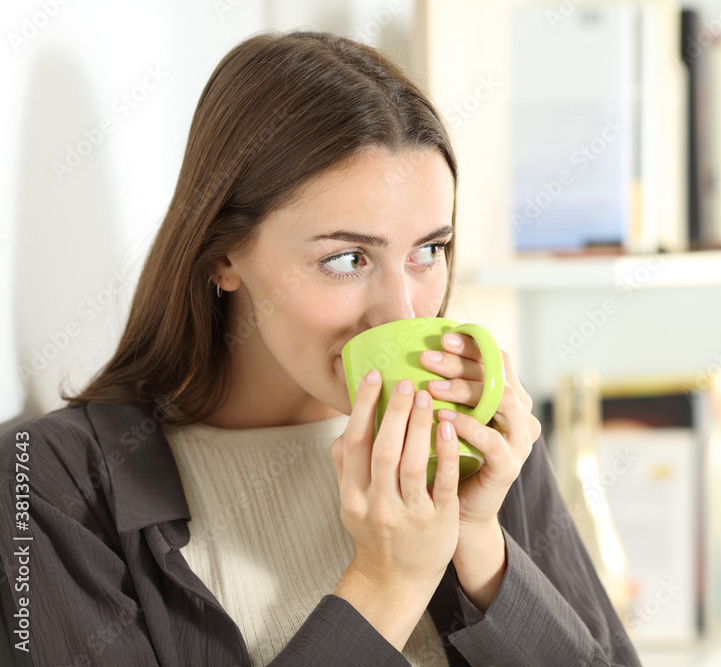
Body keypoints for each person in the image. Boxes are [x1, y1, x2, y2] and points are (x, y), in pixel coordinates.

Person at [0, 31, 641, 666]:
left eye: (429, 250)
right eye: (346, 258)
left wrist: (482, 549)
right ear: (223, 254)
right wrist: (385, 584)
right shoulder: (48, 481)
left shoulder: (480, 439)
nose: (405, 310)